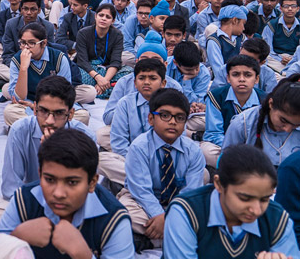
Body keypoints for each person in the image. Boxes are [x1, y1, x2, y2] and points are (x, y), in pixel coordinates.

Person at [0, 128, 135, 258]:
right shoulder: (24, 200)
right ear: (40, 174)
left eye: (72, 182)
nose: (58, 193)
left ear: (92, 182)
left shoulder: (114, 220)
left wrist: (84, 256)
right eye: (50, 179)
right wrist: (16, 237)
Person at [0, 76, 96, 229]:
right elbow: (11, 189)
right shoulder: (20, 131)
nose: (49, 121)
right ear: (34, 108)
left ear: (70, 114)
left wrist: (55, 154)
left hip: (70, 204)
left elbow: (87, 192)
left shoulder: (86, 137)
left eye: (58, 113)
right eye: (43, 111)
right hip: (30, 201)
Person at [163, 144, 300, 258]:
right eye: (245, 198)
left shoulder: (278, 219)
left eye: (264, 199)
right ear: (219, 184)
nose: (257, 210)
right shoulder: (186, 212)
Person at [117, 88, 205, 245]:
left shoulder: (193, 150)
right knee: (124, 213)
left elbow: (189, 193)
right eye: (165, 115)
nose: (172, 122)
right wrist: (160, 215)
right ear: (151, 119)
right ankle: (174, 235)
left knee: (207, 211)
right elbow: (141, 191)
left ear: (186, 122)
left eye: (180, 117)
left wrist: (169, 215)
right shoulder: (139, 147)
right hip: (143, 201)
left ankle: (151, 239)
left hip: (178, 201)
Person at [99, 59, 168, 187]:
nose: (146, 82)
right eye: (141, 78)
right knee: (100, 160)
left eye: (152, 78)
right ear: (135, 83)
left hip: (163, 163)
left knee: (202, 173)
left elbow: (176, 141)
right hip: (132, 160)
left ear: (163, 83)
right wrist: (140, 163)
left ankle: (138, 182)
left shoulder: (172, 104)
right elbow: (119, 144)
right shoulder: (125, 104)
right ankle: (151, 182)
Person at [2, 23, 74, 126]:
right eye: (22, 43)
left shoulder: (59, 58)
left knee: (81, 115)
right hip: (27, 103)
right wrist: (23, 68)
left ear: (43, 43)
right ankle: (52, 127)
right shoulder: (17, 60)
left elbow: (65, 94)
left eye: (31, 43)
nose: (26, 47)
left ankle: (33, 126)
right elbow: (19, 98)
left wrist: (35, 107)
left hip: (54, 106)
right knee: (10, 112)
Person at [202, 55, 267, 168]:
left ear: (256, 79)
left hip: (254, 147)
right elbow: (213, 133)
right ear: (228, 78)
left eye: (248, 75)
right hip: (225, 145)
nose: (241, 79)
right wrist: (236, 149)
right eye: (236, 75)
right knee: (205, 150)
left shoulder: (265, 100)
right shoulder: (216, 96)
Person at [223, 75, 300, 167]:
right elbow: (227, 163)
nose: (287, 129)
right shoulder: (243, 123)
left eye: (296, 125)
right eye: (283, 120)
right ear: (271, 104)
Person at [75, 4, 130, 99]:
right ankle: (108, 90)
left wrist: (104, 81)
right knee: (79, 75)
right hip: (88, 70)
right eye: (101, 15)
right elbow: (82, 61)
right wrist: (98, 77)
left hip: (107, 70)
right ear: (95, 16)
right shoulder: (83, 33)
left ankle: (97, 90)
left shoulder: (117, 35)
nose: (103, 19)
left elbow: (115, 61)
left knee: (129, 73)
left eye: (108, 17)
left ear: (112, 21)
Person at [262, 0, 300, 73]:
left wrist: (293, 60)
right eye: (286, 6)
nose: (290, 9)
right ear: (280, 8)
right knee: (266, 60)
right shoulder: (271, 25)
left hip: (295, 58)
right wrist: (280, 59)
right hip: (276, 58)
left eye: (293, 6)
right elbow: (267, 48)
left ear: (298, 8)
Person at [206, 5, 248, 71]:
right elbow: (218, 70)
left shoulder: (242, 38)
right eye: (243, 24)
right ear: (235, 20)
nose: (243, 28)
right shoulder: (214, 41)